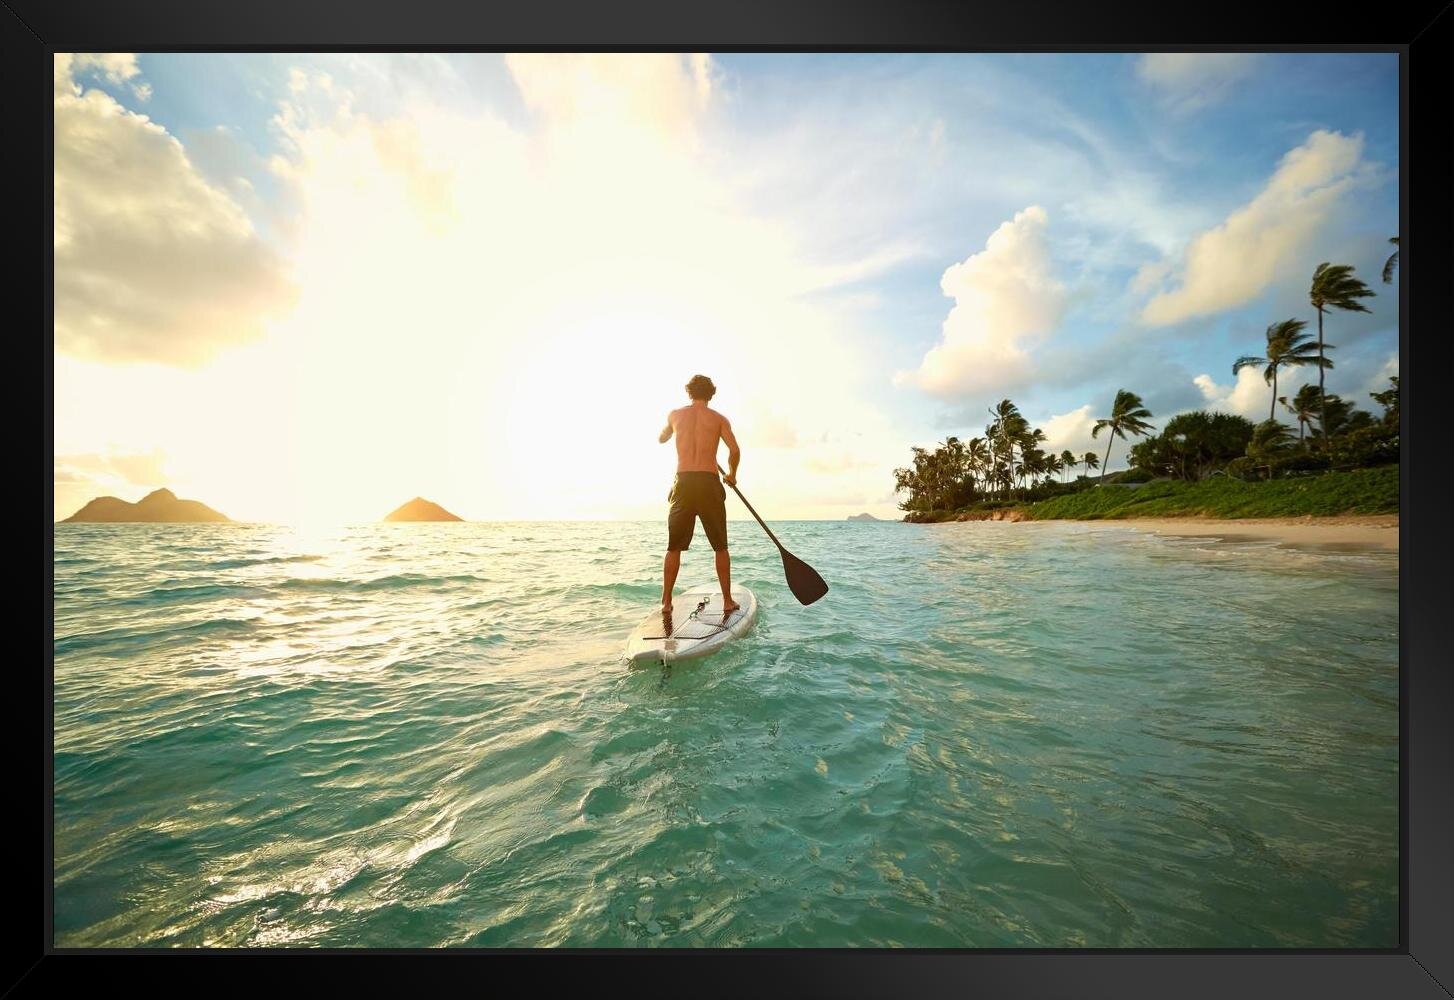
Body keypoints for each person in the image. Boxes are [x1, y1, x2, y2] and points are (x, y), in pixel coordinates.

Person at [658, 374, 741, 618]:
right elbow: (734, 450)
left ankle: (665, 602)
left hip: (683, 483)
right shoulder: (718, 419)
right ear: (711, 394)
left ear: (689, 392)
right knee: (720, 547)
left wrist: (667, 434)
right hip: (708, 482)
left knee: (673, 547)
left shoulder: (674, 415)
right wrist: (732, 475)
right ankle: (727, 601)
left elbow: (662, 437)